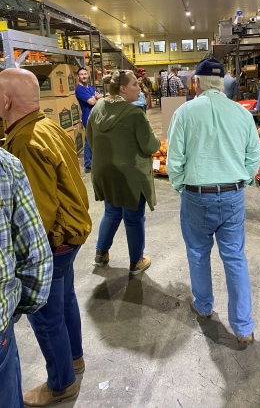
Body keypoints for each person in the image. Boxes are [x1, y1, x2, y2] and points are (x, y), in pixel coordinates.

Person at [0, 68, 92, 407]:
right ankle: (75, 359)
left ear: (6, 100)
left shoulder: (24, 142)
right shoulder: (47, 124)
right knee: (65, 301)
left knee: (46, 315)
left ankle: (62, 383)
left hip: (55, 241)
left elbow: (38, 214)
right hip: (71, 235)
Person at [167, 57, 260, 347]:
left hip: (197, 194)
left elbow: (175, 160)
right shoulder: (242, 113)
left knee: (198, 253)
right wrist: (242, 180)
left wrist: (181, 185)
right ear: (223, 83)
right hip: (232, 194)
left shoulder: (184, 113)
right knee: (235, 258)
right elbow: (253, 156)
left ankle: (204, 306)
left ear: (196, 82)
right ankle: (243, 327)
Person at [86, 70, 160, 273]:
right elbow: (151, 146)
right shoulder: (135, 114)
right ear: (123, 88)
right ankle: (136, 261)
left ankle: (101, 254)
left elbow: (90, 139)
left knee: (111, 212)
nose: (140, 88)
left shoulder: (98, 107)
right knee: (133, 218)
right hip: (131, 177)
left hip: (106, 173)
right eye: (135, 84)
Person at [0, 148, 53, 408]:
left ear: (7, 103)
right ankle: (65, 377)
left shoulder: (20, 145)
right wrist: (12, 310)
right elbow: (35, 256)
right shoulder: (6, 163)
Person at [75, 67, 103, 172]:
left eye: (85, 74)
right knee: (89, 140)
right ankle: (88, 164)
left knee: (93, 139)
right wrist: (96, 97)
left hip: (95, 115)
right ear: (78, 77)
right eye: (81, 74)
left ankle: (93, 161)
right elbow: (91, 101)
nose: (84, 76)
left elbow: (100, 95)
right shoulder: (79, 89)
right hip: (88, 117)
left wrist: (96, 97)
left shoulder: (90, 87)